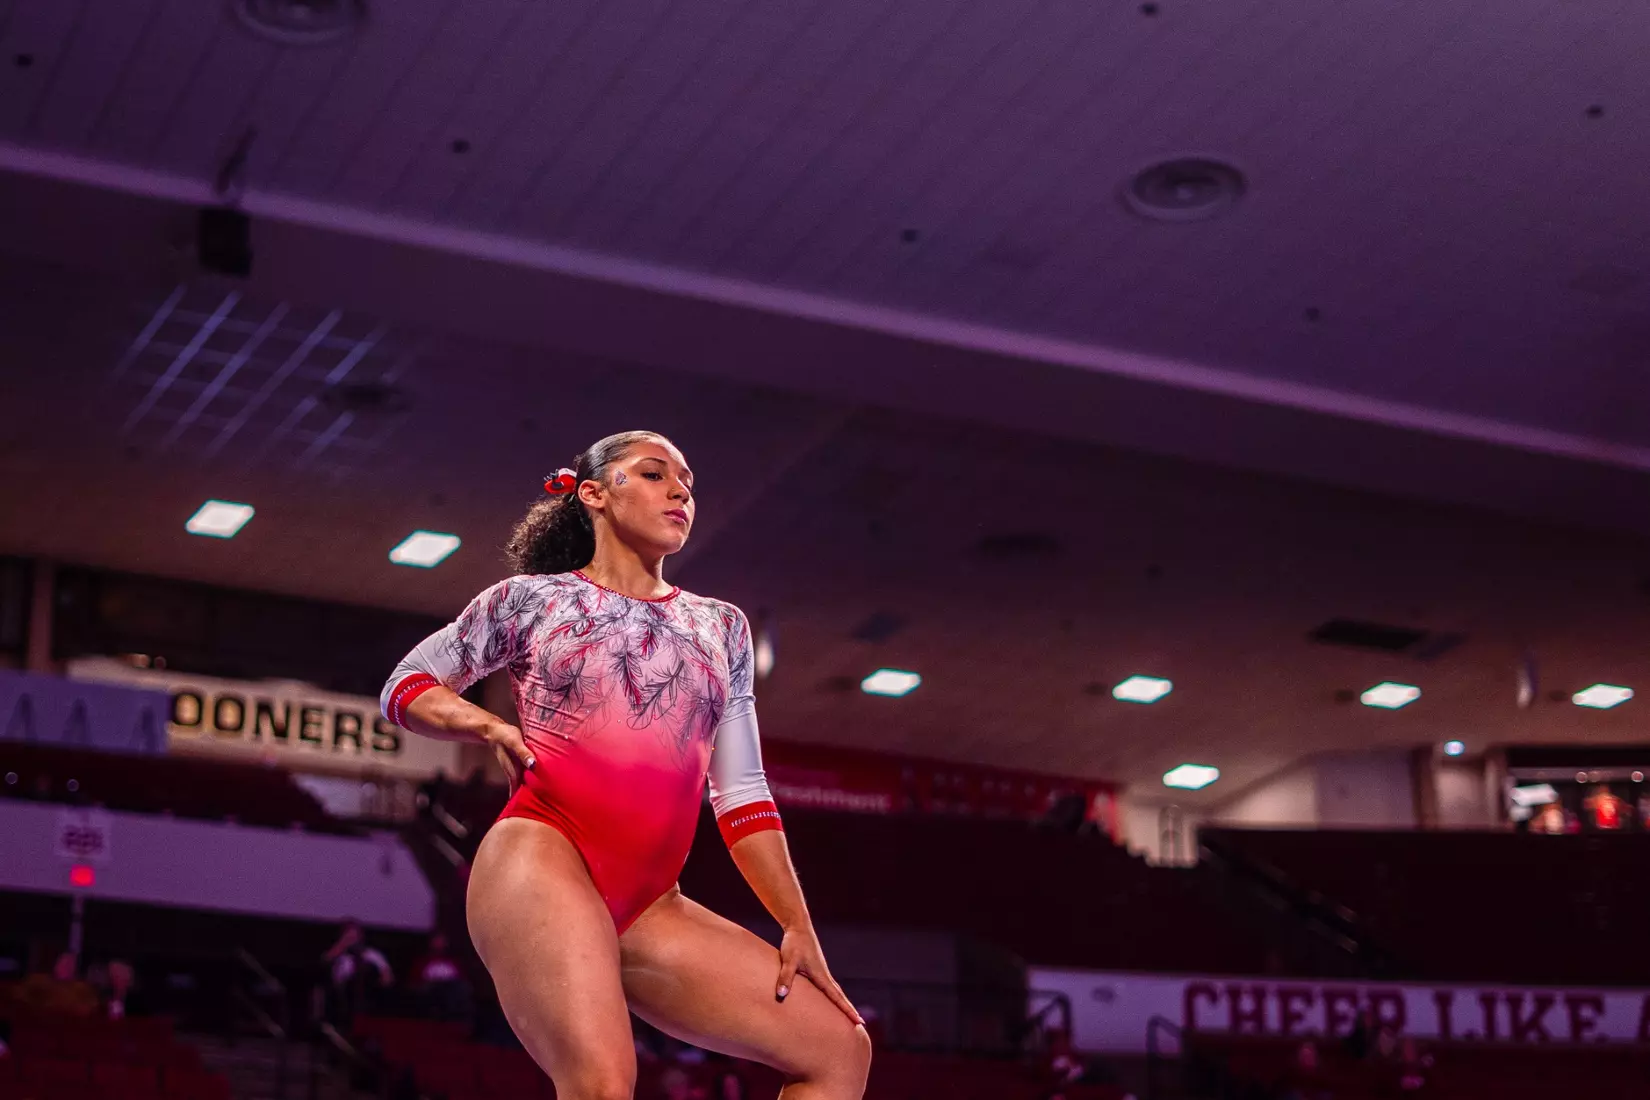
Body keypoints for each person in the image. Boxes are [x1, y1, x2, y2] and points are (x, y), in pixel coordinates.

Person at [381, 432, 870, 1100]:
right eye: (654, 474)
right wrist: (486, 723)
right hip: (542, 856)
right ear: (594, 495)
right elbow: (406, 685)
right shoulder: (532, 600)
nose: (680, 491)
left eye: (688, 482)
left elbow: (744, 793)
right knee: (604, 1083)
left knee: (839, 1051)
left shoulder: (721, 627)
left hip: (650, 902)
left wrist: (796, 924)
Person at [322, 920, 392, 1026]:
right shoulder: (341, 957)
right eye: (349, 937)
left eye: (355, 936)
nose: (353, 940)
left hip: (369, 995)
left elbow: (387, 978)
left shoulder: (372, 955)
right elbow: (325, 961)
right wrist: (342, 945)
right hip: (341, 995)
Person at [409, 932, 472, 1023]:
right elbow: (413, 983)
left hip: (450, 991)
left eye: (442, 941)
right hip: (430, 990)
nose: (439, 944)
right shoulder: (422, 962)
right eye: (437, 941)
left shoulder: (453, 963)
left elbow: (463, 981)